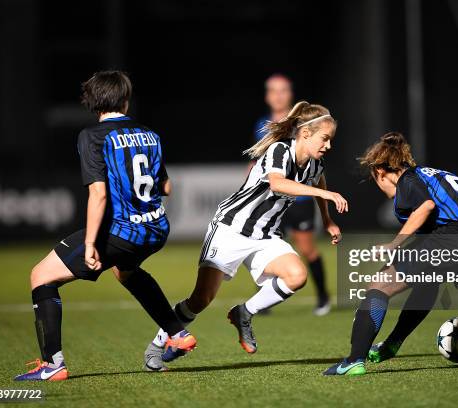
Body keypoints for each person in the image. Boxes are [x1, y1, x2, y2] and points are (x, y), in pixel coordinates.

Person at [14, 71, 196, 381]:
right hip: (156, 229)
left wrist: (89, 245)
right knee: (126, 271)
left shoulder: (92, 136)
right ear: (126, 99)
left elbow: (97, 193)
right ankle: (176, 332)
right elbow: (165, 187)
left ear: (91, 102)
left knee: (41, 276)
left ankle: (52, 364)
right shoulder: (150, 134)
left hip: (122, 231)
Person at [144, 101, 347, 371]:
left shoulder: (313, 165)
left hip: (265, 236)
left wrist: (327, 219)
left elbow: (318, 179)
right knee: (201, 299)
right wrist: (326, 196)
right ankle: (157, 346)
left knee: (297, 276)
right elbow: (278, 182)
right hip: (230, 229)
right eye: (325, 139)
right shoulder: (280, 150)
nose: (328, 146)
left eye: (331, 140)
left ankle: (244, 313)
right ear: (306, 134)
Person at [324, 132, 458, 376]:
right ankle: (392, 344)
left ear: (380, 172)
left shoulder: (408, 181)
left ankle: (354, 360)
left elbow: (426, 207)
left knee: (379, 284)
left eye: (374, 178)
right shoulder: (437, 175)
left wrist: (394, 244)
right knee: (428, 281)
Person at [253, 74, 331, 315]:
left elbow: (314, 164)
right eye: (274, 91)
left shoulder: (303, 126)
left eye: (283, 90)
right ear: (267, 96)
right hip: (272, 199)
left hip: (299, 198)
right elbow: (260, 161)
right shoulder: (262, 125)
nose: (278, 95)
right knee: (264, 247)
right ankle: (264, 301)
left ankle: (323, 297)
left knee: (307, 249)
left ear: (290, 94)